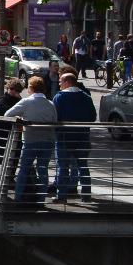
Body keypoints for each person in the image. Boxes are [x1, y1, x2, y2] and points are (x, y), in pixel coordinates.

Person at [6, 76, 59, 206]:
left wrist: (20, 118)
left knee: (24, 169)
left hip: (30, 140)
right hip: (48, 141)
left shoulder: (26, 102)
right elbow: (55, 121)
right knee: (43, 170)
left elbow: (7, 114)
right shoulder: (50, 104)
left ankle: (18, 197)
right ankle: (41, 199)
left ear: (31, 88)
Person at [51, 72, 96, 203]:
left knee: (63, 167)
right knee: (83, 166)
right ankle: (86, 195)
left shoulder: (59, 97)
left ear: (67, 82)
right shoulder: (86, 97)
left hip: (64, 137)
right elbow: (93, 117)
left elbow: (55, 117)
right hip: (83, 137)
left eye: (61, 82)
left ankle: (61, 196)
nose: (59, 84)